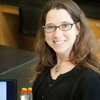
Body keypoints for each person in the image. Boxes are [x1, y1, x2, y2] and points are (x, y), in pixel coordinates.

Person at [32, 0, 100, 100]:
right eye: (50, 26)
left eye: (65, 25)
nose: (57, 34)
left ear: (78, 28)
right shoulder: (47, 64)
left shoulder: (90, 79)